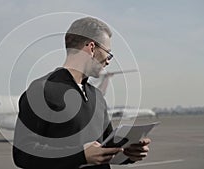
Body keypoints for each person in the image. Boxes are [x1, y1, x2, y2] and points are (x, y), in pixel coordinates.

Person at [13, 17, 151, 169]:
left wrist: (128, 153)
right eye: (108, 53)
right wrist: (81, 155)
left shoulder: (97, 97)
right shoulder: (41, 90)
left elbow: (105, 148)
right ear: (91, 48)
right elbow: (22, 155)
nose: (108, 60)